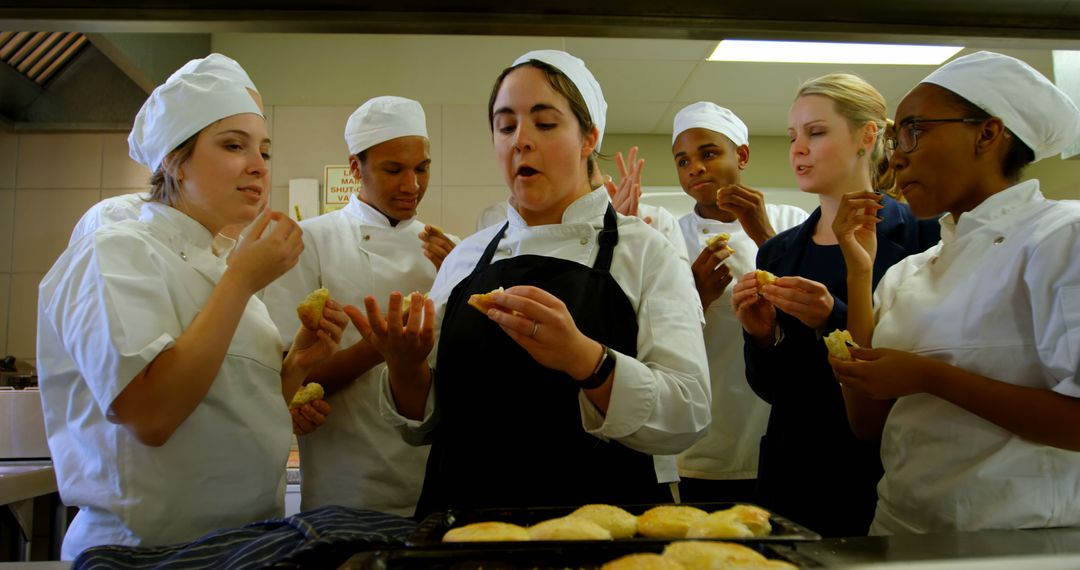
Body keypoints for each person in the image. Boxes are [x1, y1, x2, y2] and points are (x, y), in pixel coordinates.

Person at [351, 49, 710, 517]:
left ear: (588, 138)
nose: (521, 141)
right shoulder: (465, 258)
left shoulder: (645, 252)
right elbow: (427, 423)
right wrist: (404, 367)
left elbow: (688, 412)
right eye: (506, 126)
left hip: (599, 532)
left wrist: (586, 360)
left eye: (544, 124)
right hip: (465, 527)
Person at [36, 58, 347, 559]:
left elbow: (232, 409)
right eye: (232, 145)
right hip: (145, 554)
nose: (259, 165)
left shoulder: (223, 265)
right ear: (174, 162)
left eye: (264, 151)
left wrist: (298, 365)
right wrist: (244, 280)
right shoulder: (115, 250)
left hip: (242, 544)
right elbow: (151, 415)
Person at [830, 51, 1080, 534]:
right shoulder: (908, 272)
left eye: (913, 130)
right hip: (900, 531)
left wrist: (931, 377)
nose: (895, 155)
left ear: (987, 133)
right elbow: (867, 423)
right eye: (892, 137)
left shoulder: (1059, 236)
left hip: (1016, 542)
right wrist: (858, 276)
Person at [730, 73, 939, 537]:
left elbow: (926, 362)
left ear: (867, 137)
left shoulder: (923, 240)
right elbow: (770, 388)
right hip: (792, 467)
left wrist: (834, 318)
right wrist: (762, 335)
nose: (797, 149)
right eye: (792, 137)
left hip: (875, 468)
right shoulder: (778, 252)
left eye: (816, 132)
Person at [262, 96, 457, 516]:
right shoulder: (311, 243)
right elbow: (283, 384)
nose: (412, 185)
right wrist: (380, 348)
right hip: (345, 487)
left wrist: (459, 280)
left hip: (438, 484)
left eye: (421, 168)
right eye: (393, 170)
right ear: (355, 168)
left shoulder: (451, 250)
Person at [670, 101, 808, 504]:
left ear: (741, 155)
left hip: (782, 427)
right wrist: (695, 296)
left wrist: (767, 237)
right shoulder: (670, 238)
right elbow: (655, 340)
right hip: (706, 440)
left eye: (708, 153)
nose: (694, 168)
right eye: (682, 161)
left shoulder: (792, 221)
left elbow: (823, 317)